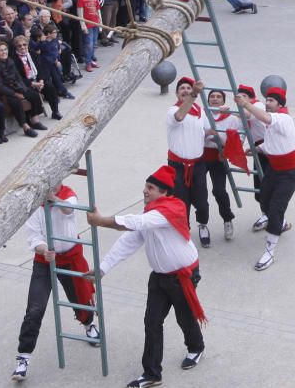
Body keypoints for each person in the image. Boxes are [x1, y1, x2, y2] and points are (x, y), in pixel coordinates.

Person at [87, 165, 206, 388]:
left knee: (184, 318)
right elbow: (129, 240)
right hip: (160, 278)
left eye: (150, 188)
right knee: (152, 322)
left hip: (183, 277)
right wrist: (102, 268)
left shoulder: (171, 209)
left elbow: (138, 223)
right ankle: (152, 374)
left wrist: (101, 221)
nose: (144, 191)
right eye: (145, 186)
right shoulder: (152, 213)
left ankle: (196, 347)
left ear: (164, 193)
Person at [11, 181, 99, 382]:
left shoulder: (68, 194)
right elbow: (33, 236)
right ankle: (23, 357)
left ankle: (88, 323)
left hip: (70, 257)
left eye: (58, 180)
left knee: (80, 297)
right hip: (44, 261)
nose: (55, 184)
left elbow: (70, 209)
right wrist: (44, 250)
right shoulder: (34, 205)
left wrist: (54, 199)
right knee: (35, 308)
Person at [234, 87, 295, 271]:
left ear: (280, 105)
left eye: (271, 100)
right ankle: (281, 223)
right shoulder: (273, 124)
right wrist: (257, 149)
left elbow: (266, 118)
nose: (267, 103)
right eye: (267, 100)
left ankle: (269, 251)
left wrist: (246, 103)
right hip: (275, 170)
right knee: (263, 198)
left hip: (289, 174)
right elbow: (272, 139)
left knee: (276, 207)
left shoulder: (283, 118)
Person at [194, 89, 243, 246]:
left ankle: (227, 219)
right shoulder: (201, 114)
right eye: (212, 97)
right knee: (200, 192)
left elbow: (237, 141)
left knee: (219, 191)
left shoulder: (232, 119)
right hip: (200, 157)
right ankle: (202, 224)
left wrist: (219, 139)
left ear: (223, 101)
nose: (215, 99)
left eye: (218, 97)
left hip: (218, 157)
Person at [166, 77, 207, 217]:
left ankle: (203, 224)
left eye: (188, 88)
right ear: (177, 94)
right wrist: (194, 94)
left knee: (202, 202)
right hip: (177, 166)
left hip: (198, 165)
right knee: (181, 202)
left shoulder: (200, 111)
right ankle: (184, 232)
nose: (186, 91)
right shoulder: (173, 110)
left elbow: (204, 131)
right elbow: (179, 117)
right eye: (182, 88)